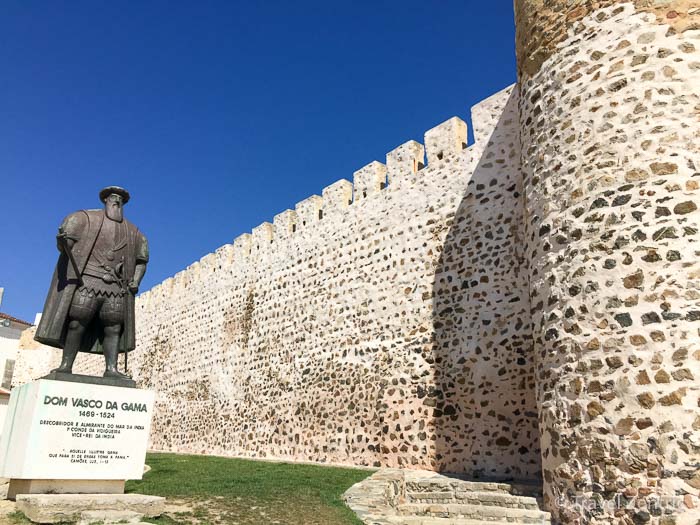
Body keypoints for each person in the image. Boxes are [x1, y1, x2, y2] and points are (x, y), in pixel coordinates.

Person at [35, 186, 148, 380]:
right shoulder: (84, 219)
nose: (116, 201)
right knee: (77, 322)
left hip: (116, 286)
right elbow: (66, 245)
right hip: (87, 280)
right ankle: (66, 365)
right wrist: (63, 242)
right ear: (105, 200)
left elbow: (141, 260)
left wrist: (136, 281)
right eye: (113, 198)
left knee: (113, 327)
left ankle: (111, 368)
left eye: (120, 199)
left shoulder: (134, 232)